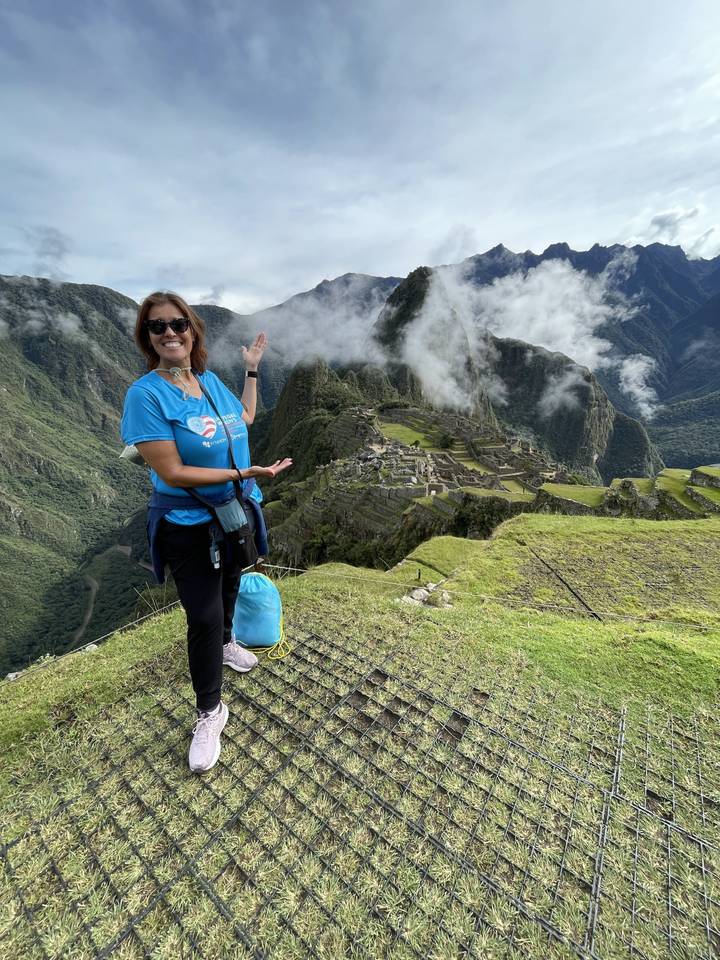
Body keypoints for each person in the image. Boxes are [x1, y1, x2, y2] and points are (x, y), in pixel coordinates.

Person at [121, 291, 292, 773]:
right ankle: (210, 711)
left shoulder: (210, 382)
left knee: (232, 581)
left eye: (178, 323)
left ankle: (227, 642)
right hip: (189, 523)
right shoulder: (146, 395)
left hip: (235, 512)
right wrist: (242, 474)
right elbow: (173, 472)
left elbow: (245, 418)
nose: (170, 332)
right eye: (157, 326)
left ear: (192, 331)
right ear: (147, 337)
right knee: (203, 615)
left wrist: (252, 371)